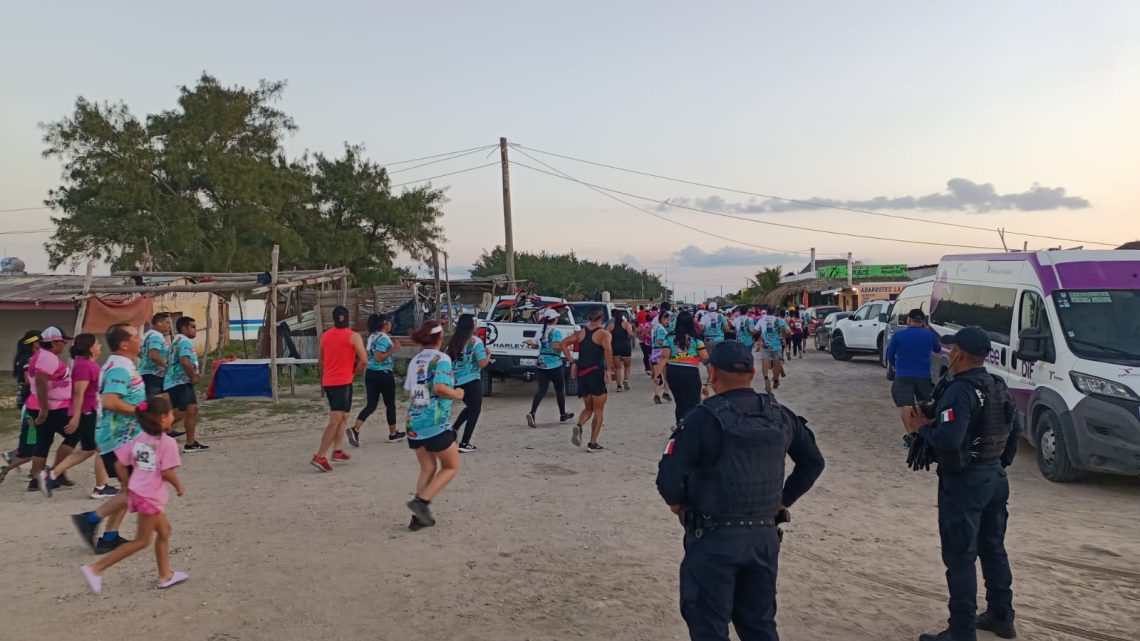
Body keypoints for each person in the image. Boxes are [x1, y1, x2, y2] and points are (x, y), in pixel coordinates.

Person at [656, 341, 826, 641]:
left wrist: (680, 506)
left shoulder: (702, 418)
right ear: (751, 373)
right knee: (759, 625)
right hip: (763, 537)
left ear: (713, 374)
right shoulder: (781, 415)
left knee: (709, 625)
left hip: (713, 537)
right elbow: (813, 463)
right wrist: (783, 500)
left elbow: (669, 476)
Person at [903, 326, 1019, 641]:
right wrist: (995, 465)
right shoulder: (997, 384)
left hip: (966, 483)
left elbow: (950, 440)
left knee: (960, 556)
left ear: (958, 354)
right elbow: (1014, 432)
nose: (949, 353)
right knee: (993, 548)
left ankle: (961, 631)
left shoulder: (960, 390)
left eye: (952, 349)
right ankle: (1001, 615)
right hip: (994, 477)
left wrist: (919, 430)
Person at [80, 395, 187, 593]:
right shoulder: (167, 443)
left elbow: (120, 463)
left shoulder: (140, 438)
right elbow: (166, 471)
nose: (173, 416)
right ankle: (96, 569)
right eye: (171, 413)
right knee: (142, 541)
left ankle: (166, 574)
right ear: (163, 418)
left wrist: (128, 484)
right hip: (150, 498)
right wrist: (179, 486)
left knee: (164, 531)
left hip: (139, 493)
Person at [72, 323, 147, 554]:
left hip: (127, 436)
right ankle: (91, 519)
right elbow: (110, 401)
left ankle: (110, 536)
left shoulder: (123, 364)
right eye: (136, 336)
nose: (140, 339)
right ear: (124, 344)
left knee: (131, 487)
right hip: (119, 439)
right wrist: (142, 413)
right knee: (138, 487)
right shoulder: (119, 367)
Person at [38, 333, 118, 498]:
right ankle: (100, 487)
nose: (100, 347)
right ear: (89, 347)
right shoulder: (84, 366)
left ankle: (51, 475)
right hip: (87, 412)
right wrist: (75, 417)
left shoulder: (85, 364)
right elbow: (78, 393)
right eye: (97, 344)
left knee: (89, 449)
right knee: (100, 448)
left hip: (90, 411)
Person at [403, 321, 465, 530]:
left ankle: (418, 518)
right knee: (451, 466)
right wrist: (456, 393)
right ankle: (422, 503)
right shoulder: (442, 359)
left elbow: (406, 392)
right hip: (435, 422)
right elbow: (439, 387)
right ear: (439, 339)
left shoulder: (415, 361)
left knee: (428, 467)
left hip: (414, 422)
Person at [312, 306, 367, 472]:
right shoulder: (353, 335)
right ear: (348, 318)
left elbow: (320, 359)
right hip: (342, 382)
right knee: (336, 420)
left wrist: (332, 369)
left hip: (330, 381)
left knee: (344, 415)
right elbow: (364, 360)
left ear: (333, 319)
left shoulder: (326, 336)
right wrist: (354, 371)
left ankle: (337, 450)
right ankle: (320, 456)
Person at [28, 326, 77, 491]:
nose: (64, 345)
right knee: (74, 433)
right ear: (54, 342)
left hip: (42, 404)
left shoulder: (41, 355)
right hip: (53, 407)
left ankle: (37, 479)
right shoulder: (47, 358)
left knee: (44, 440)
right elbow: (41, 381)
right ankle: (56, 471)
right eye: (62, 342)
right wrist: (44, 408)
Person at [349, 313, 404, 447]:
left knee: (371, 404)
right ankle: (393, 434)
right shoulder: (384, 338)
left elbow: (370, 354)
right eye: (389, 322)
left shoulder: (372, 337)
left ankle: (355, 429)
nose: (391, 324)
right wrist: (393, 350)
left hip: (371, 373)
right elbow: (379, 357)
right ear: (385, 324)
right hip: (384, 374)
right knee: (390, 404)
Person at [563, 307, 613, 452]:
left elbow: (563, 344)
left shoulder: (580, 333)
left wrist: (571, 362)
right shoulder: (603, 334)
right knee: (599, 409)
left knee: (588, 407)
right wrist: (609, 370)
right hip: (596, 373)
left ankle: (578, 426)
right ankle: (592, 442)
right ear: (601, 318)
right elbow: (608, 350)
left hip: (583, 373)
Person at [887, 309, 943, 428]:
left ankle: (911, 435)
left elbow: (890, 355)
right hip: (923, 376)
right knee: (923, 403)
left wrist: (895, 366)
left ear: (909, 320)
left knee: (906, 405)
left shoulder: (898, 336)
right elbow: (938, 350)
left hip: (903, 375)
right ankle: (921, 431)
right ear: (923, 322)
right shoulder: (929, 335)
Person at [162, 317, 208, 453]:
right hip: (179, 382)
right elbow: (185, 361)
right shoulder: (184, 341)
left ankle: (190, 443)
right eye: (192, 327)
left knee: (192, 410)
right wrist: (193, 376)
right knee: (180, 413)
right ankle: (154, 432)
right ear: (184, 328)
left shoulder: (177, 340)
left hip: (180, 382)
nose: (195, 330)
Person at [447, 313, 490, 453]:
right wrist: (488, 354)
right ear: (472, 326)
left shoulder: (453, 341)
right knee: (475, 410)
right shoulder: (475, 342)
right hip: (472, 380)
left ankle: (454, 429)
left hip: (456, 381)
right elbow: (482, 363)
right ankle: (465, 442)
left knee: (471, 408)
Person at [2, 331, 41, 484]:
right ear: (35, 343)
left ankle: (33, 469)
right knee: (31, 445)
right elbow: (29, 379)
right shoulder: (29, 359)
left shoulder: (22, 357)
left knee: (34, 441)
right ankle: (9, 465)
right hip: (29, 404)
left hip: (26, 401)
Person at [660, 311, 710, 427]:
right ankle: (690, 427)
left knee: (680, 402)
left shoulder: (670, 337)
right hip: (690, 373)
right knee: (693, 403)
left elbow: (664, 357)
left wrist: (657, 374)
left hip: (673, 372)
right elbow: (705, 358)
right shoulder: (696, 339)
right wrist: (710, 374)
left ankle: (679, 424)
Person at [527, 308, 575, 428]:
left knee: (541, 390)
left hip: (541, 363)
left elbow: (535, 346)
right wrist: (567, 346)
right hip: (554, 364)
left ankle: (532, 412)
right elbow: (555, 346)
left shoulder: (541, 331)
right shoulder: (557, 331)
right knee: (560, 390)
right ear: (555, 319)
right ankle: (562, 414)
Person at [756, 310, 789, 392]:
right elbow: (786, 330)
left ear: (767, 312)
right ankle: (776, 380)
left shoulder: (762, 319)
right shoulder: (780, 320)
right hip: (776, 346)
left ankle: (766, 379)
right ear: (775, 312)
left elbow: (756, 330)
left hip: (765, 346)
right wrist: (784, 338)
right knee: (776, 364)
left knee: (765, 363)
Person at [139, 313, 171, 398]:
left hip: (146, 373)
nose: (169, 325)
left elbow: (139, 352)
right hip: (154, 375)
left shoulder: (147, 334)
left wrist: (145, 361)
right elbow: (153, 356)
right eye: (167, 323)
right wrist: (166, 367)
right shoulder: (156, 336)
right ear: (159, 323)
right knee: (155, 403)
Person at [607, 309, 634, 392]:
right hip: (625, 346)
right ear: (622, 316)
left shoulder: (611, 325)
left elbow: (606, 336)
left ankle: (619, 386)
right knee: (628, 366)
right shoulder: (626, 324)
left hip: (615, 347)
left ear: (613, 317)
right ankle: (625, 379)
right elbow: (630, 334)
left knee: (617, 368)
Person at [651, 310, 674, 404]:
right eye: (667, 320)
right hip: (662, 353)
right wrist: (669, 344)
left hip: (654, 353)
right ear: (662, 319)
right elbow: (659, 341)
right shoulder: (661, 329)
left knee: (657, 376)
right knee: (667, 375)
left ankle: (657, 395)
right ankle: (665, 392)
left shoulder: (655, 327)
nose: (668, 322)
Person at [637, 312, 655, 376]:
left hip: (643, 342)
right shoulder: (652, 325)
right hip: (650, 342)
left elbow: (638, 331)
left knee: (645, 355)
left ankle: (647, 368)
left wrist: (640, 337)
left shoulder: (642, 324)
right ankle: (651, 369)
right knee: (651, 356)